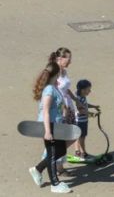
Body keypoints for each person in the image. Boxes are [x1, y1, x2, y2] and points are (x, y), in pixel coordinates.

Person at [29, 62, 71, 193]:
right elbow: (46, 111)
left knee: (61, 151)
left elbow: (56, 107)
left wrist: (64, 113)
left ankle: (37, 169)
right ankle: (55, 184)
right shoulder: (48, 90)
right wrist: (47, 131)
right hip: (48, 126)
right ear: (57, 73)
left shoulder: (54, 87)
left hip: (56, 125)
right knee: (53, 154)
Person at [48, 47, 77, 176]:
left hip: (69, 106)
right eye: (68, 59)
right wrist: (63, 108)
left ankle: (58, 163)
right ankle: (55, 163)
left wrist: (76, 99)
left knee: (71, 134)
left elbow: (66, 89)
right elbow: (55, 92)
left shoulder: (64, 71)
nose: (70, 61)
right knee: (66, 136)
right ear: (59, 59)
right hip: (61, 109)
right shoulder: (54, 74)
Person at [74, 79, 100, 160]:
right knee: (82, 137)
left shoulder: (80, 97)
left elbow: (85, 105)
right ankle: (83, 153)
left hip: (79, 121)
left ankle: (77, 151)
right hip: (81, 122)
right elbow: (81, 110)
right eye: (89, 89)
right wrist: (91, 114)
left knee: (77, 136)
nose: (90, 91)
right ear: (83, 90)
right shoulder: (79, 98)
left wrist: (94, 106)